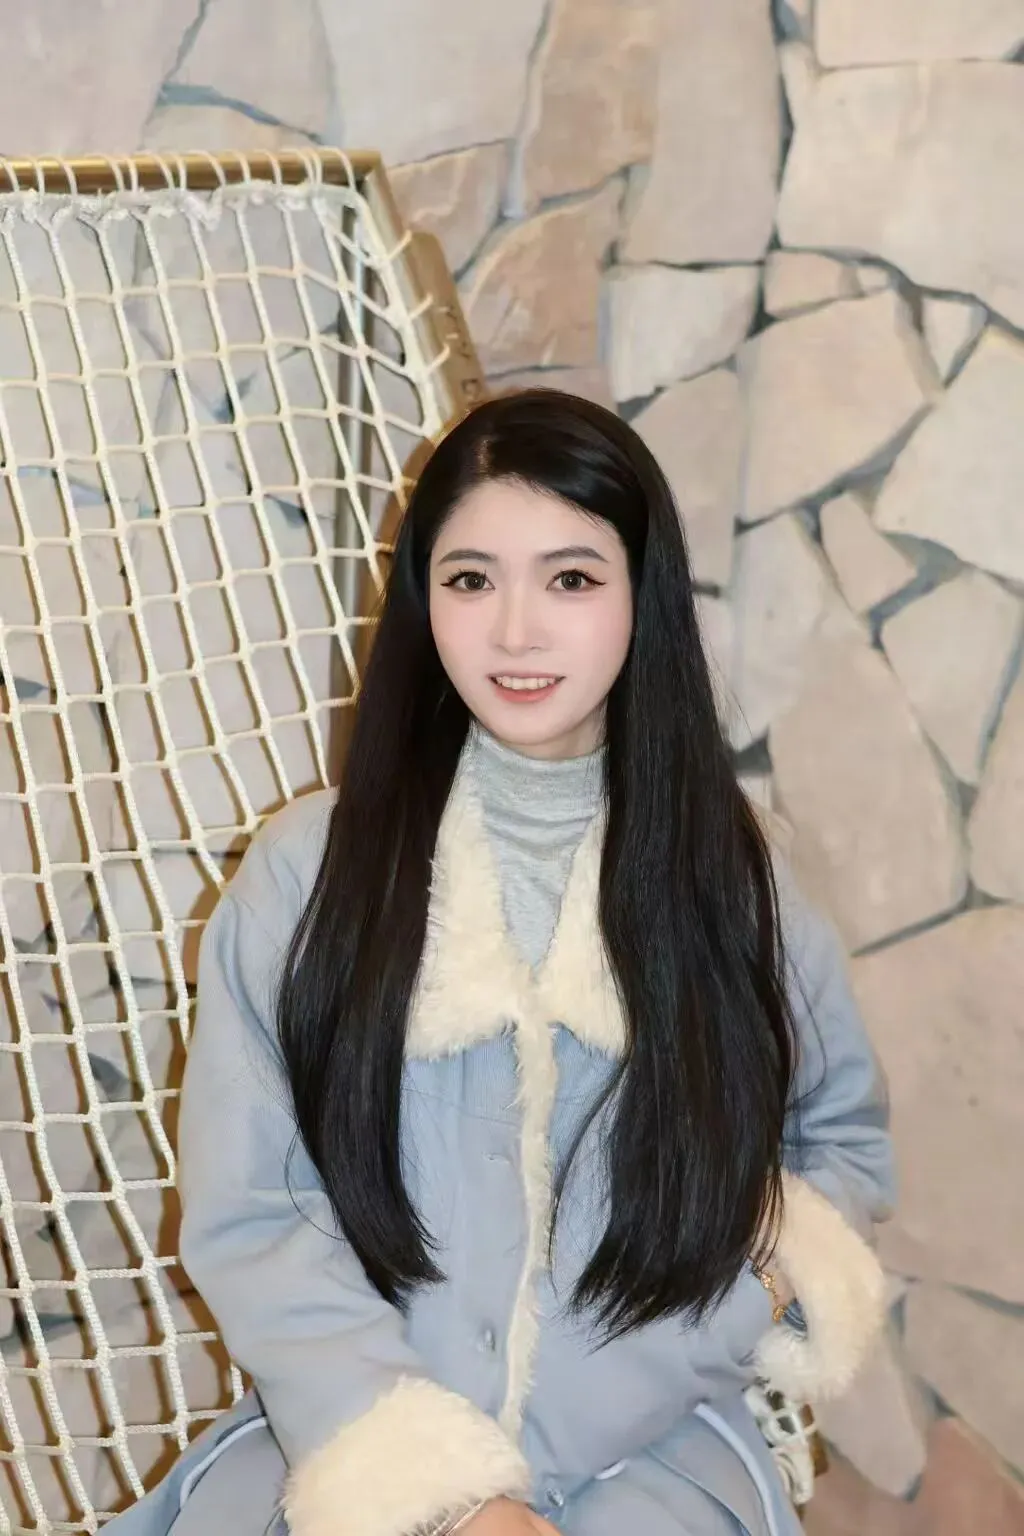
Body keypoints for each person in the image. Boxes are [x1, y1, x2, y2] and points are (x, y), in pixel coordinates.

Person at [110, 390, 894, 1536]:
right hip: (345, 1453)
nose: (515, 632)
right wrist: (440, 1489)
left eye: (570, 579)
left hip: (654, 1455)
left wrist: (757, 1291)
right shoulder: (305, 874)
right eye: (471, 580)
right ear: (423, 602)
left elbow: (839, 1143)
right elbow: (252, 1211)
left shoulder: (736, 877)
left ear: (640, 597)